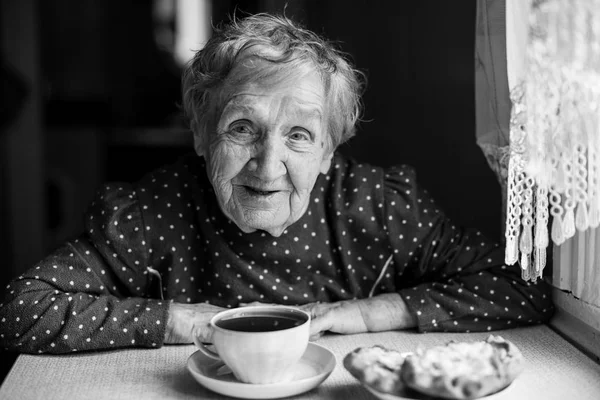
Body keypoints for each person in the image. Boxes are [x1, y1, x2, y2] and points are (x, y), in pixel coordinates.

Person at [0, 13, 553, 354]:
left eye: (298, 136)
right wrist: (180, 321)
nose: (267, 165)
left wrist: (366, 313)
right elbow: (21, 309)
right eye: (242, 128)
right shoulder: (153, 213)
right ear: (200, 134)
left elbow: (523, 286)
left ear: (330, 151)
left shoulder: (378, 208)